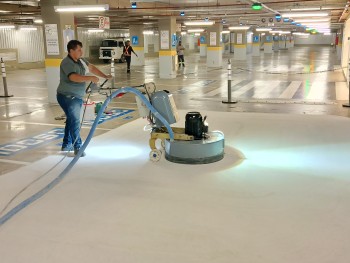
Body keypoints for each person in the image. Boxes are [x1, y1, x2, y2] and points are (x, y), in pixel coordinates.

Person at [57, 40, 112, 157]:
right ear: (71, 51)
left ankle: (66, 144)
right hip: (67, 96)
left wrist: (104, 76)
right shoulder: (66, 62)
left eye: (81, 49)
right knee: (75, 121)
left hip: (76, 96)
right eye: (78, 50)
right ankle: (78, 147)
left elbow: (92, 68)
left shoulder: (81, 61)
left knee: (71, 120)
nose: (81, 52)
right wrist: (90, 78)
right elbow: (73, 77)